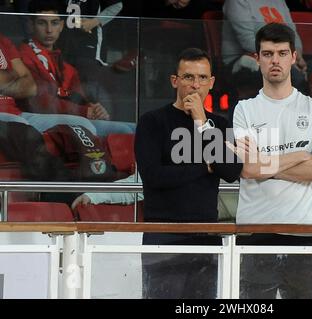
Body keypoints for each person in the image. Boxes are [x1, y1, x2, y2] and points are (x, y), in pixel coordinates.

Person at [231, 23, 312, 299]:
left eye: (281, 53)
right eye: (267, 54)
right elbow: (248, 169)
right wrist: (300, 156)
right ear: (257, 59)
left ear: (293, 56)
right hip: (255, 230)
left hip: (305, 230)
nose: (274, 60)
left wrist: (266, 166)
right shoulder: (244, 110)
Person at [135, 47, 242, 299]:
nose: (196, 85)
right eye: (188, 77)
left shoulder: (219, 124)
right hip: (163, 235)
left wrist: (202, 123)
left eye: (203, 78)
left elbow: (231, 171)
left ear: (211, 83)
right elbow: (153, 177)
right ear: (175, 80)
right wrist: (203, 166)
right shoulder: (152, 121)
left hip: (206, 236)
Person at [18, 0, 135, 136]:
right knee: (99, 127)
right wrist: (84, 111)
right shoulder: (24, 56)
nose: (49, 30)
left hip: (65, 116)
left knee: (130, 129)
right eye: (42, 23)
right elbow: (40, 101)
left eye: (54, 23)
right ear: (30, 25)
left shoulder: (64, 64)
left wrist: (94, 108)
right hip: (34, 116)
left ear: (62, 26)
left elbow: (75, 96)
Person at [222, 0, 312, 100]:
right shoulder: (237, 2)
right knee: (294, 77)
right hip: (243, 61)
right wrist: (284, 56)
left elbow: (292, 33)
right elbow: (248, 41)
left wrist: (297, 56)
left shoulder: (279, 1)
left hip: (283, 57)